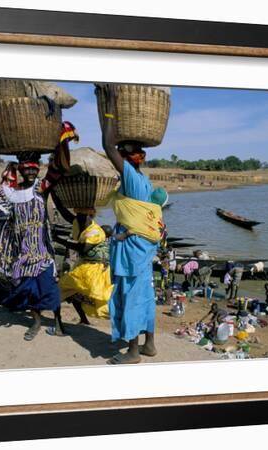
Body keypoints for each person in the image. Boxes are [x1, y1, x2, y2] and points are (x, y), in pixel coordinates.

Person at [0, 122, 79, 341]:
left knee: (50, 289)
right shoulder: (12, 194)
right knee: (28, 291)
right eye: (27, 168)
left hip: (42, 251)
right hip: (22, 253)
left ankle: (59, 324)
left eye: (35, 167)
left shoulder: (40, 189)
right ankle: (36, 322)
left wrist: (61, 144)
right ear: (21, 169)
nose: (32, 171)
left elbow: (60, 169)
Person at [100, 84, 164, 364]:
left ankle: (134, 352)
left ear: (127, 160)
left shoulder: (131, 179)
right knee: (145, 294)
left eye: (121, 154)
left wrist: (111, 106)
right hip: (143, 246)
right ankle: (149, 345)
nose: (117, 156)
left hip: (132, 249)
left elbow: (106, 144)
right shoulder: (144, 181)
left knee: (130, 296)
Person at [51, 199, 113, 324]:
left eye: (81, 216)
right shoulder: (83, 224)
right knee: (71, 294)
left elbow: (82, 248)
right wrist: (55, 196)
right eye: (78, 216)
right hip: (87, 269)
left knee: (57, 291)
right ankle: (83, 320)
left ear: (90, 216)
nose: (78, 219)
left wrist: (58, 240)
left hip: (91, 271)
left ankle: (58, 325)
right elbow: (66, 214)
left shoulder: (95, 231)